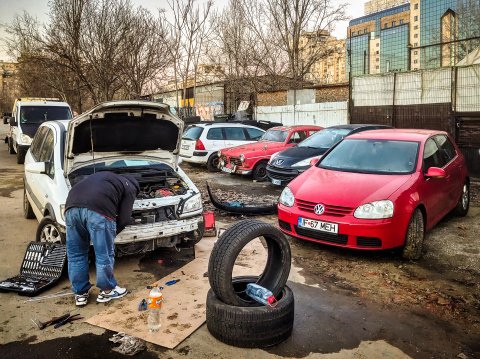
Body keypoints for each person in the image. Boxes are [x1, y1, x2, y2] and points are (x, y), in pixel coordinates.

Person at [65, 171, 140, 306]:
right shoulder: (130, 187)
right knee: (103, 254)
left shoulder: (105, 178)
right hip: (98, 212)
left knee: (76, 254)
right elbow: (124, 220)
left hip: (71, 209)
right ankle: (107, 291)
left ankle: (80, 293)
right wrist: (110, 234)